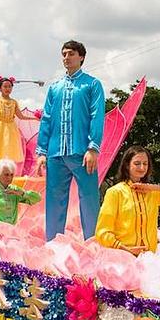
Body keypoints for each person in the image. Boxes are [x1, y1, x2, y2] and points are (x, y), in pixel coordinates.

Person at [35, 40, 105, 241]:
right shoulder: (55, 88)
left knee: (89, 198)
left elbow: (96, 115)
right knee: (54, 200)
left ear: (81, 57)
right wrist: (41, 152)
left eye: (71, 54)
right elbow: (47, 118)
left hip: (82, 152)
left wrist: (93, 148)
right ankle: (53, 244)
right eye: (64, 54)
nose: (66, 57)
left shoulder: (92, 84)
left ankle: (92, 242)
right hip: (55, 153)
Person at [96, 146, 160, 255]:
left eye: (145, 164)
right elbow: (102, 231)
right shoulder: (115, 192)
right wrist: (124, 249)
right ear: (127, 165)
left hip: (148, 259)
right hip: (122, 259)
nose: (142, 168)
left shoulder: (152, 193)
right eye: (137, 163)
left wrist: (156, 188)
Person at [0, 158, 41, 227]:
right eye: (6, 175)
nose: (9, 178)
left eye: (11, 175)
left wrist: (23, 193)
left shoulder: (15, 189)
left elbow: (37, 199)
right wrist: (1, 226)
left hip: (11, 231)